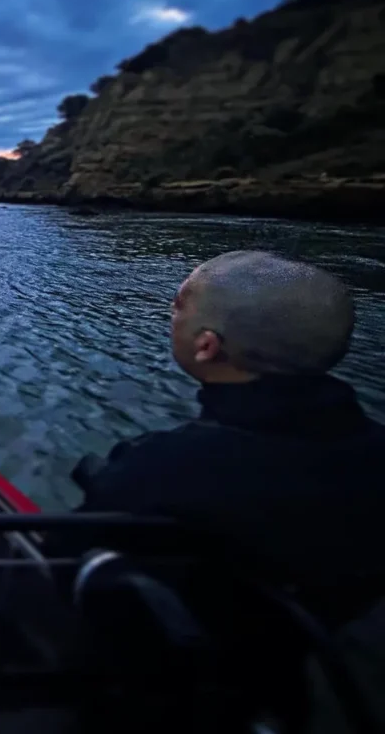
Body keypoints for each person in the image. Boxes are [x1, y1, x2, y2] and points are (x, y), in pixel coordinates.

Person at [63, 251, 385, 726]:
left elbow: (66, 560)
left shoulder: (161, 467)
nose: (171, 315)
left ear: (207, 346)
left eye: (177, 306)